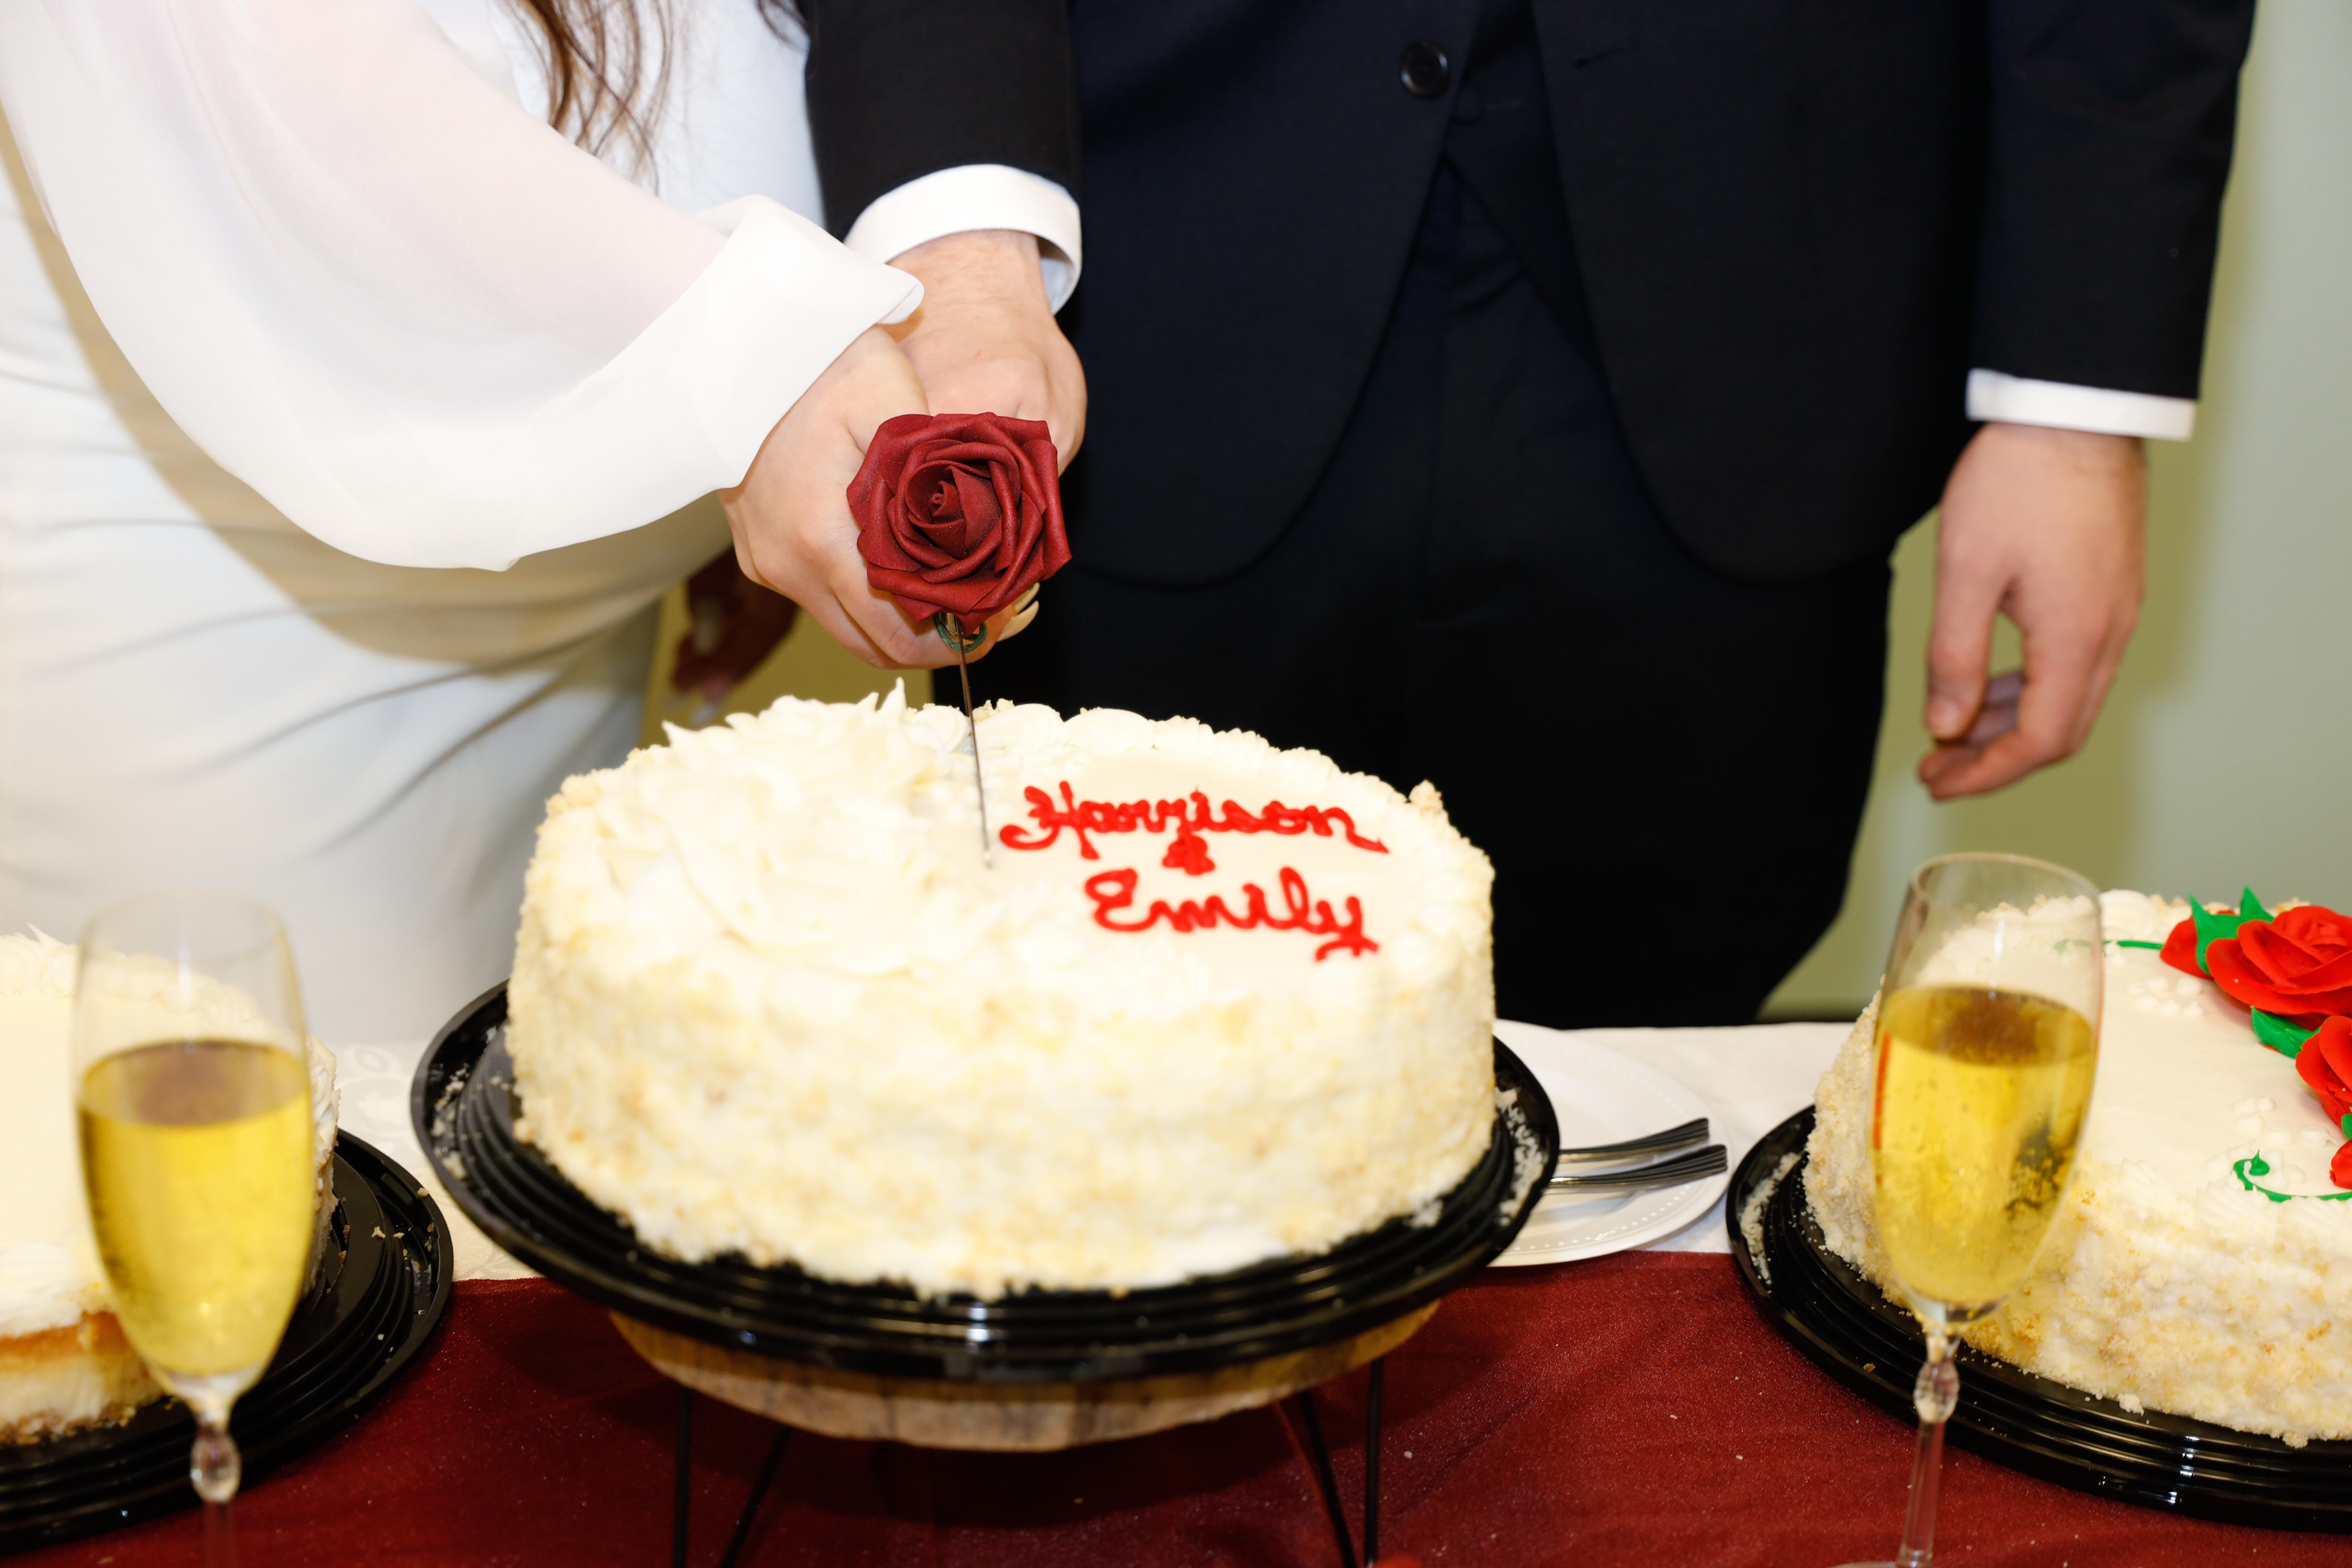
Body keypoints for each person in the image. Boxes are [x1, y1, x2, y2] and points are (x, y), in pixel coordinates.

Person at [805, 0, 2254, 1026]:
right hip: (1130, 276)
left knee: (1662, 1093)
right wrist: (965, 260)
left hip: (1764, 292)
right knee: (1091, 1032)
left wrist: (2075, 400)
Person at [0, 0, 1080, 1040]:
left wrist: (721, 464)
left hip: (581, 664)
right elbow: (303, 103)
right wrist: (765, 378)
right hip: (237, 649)